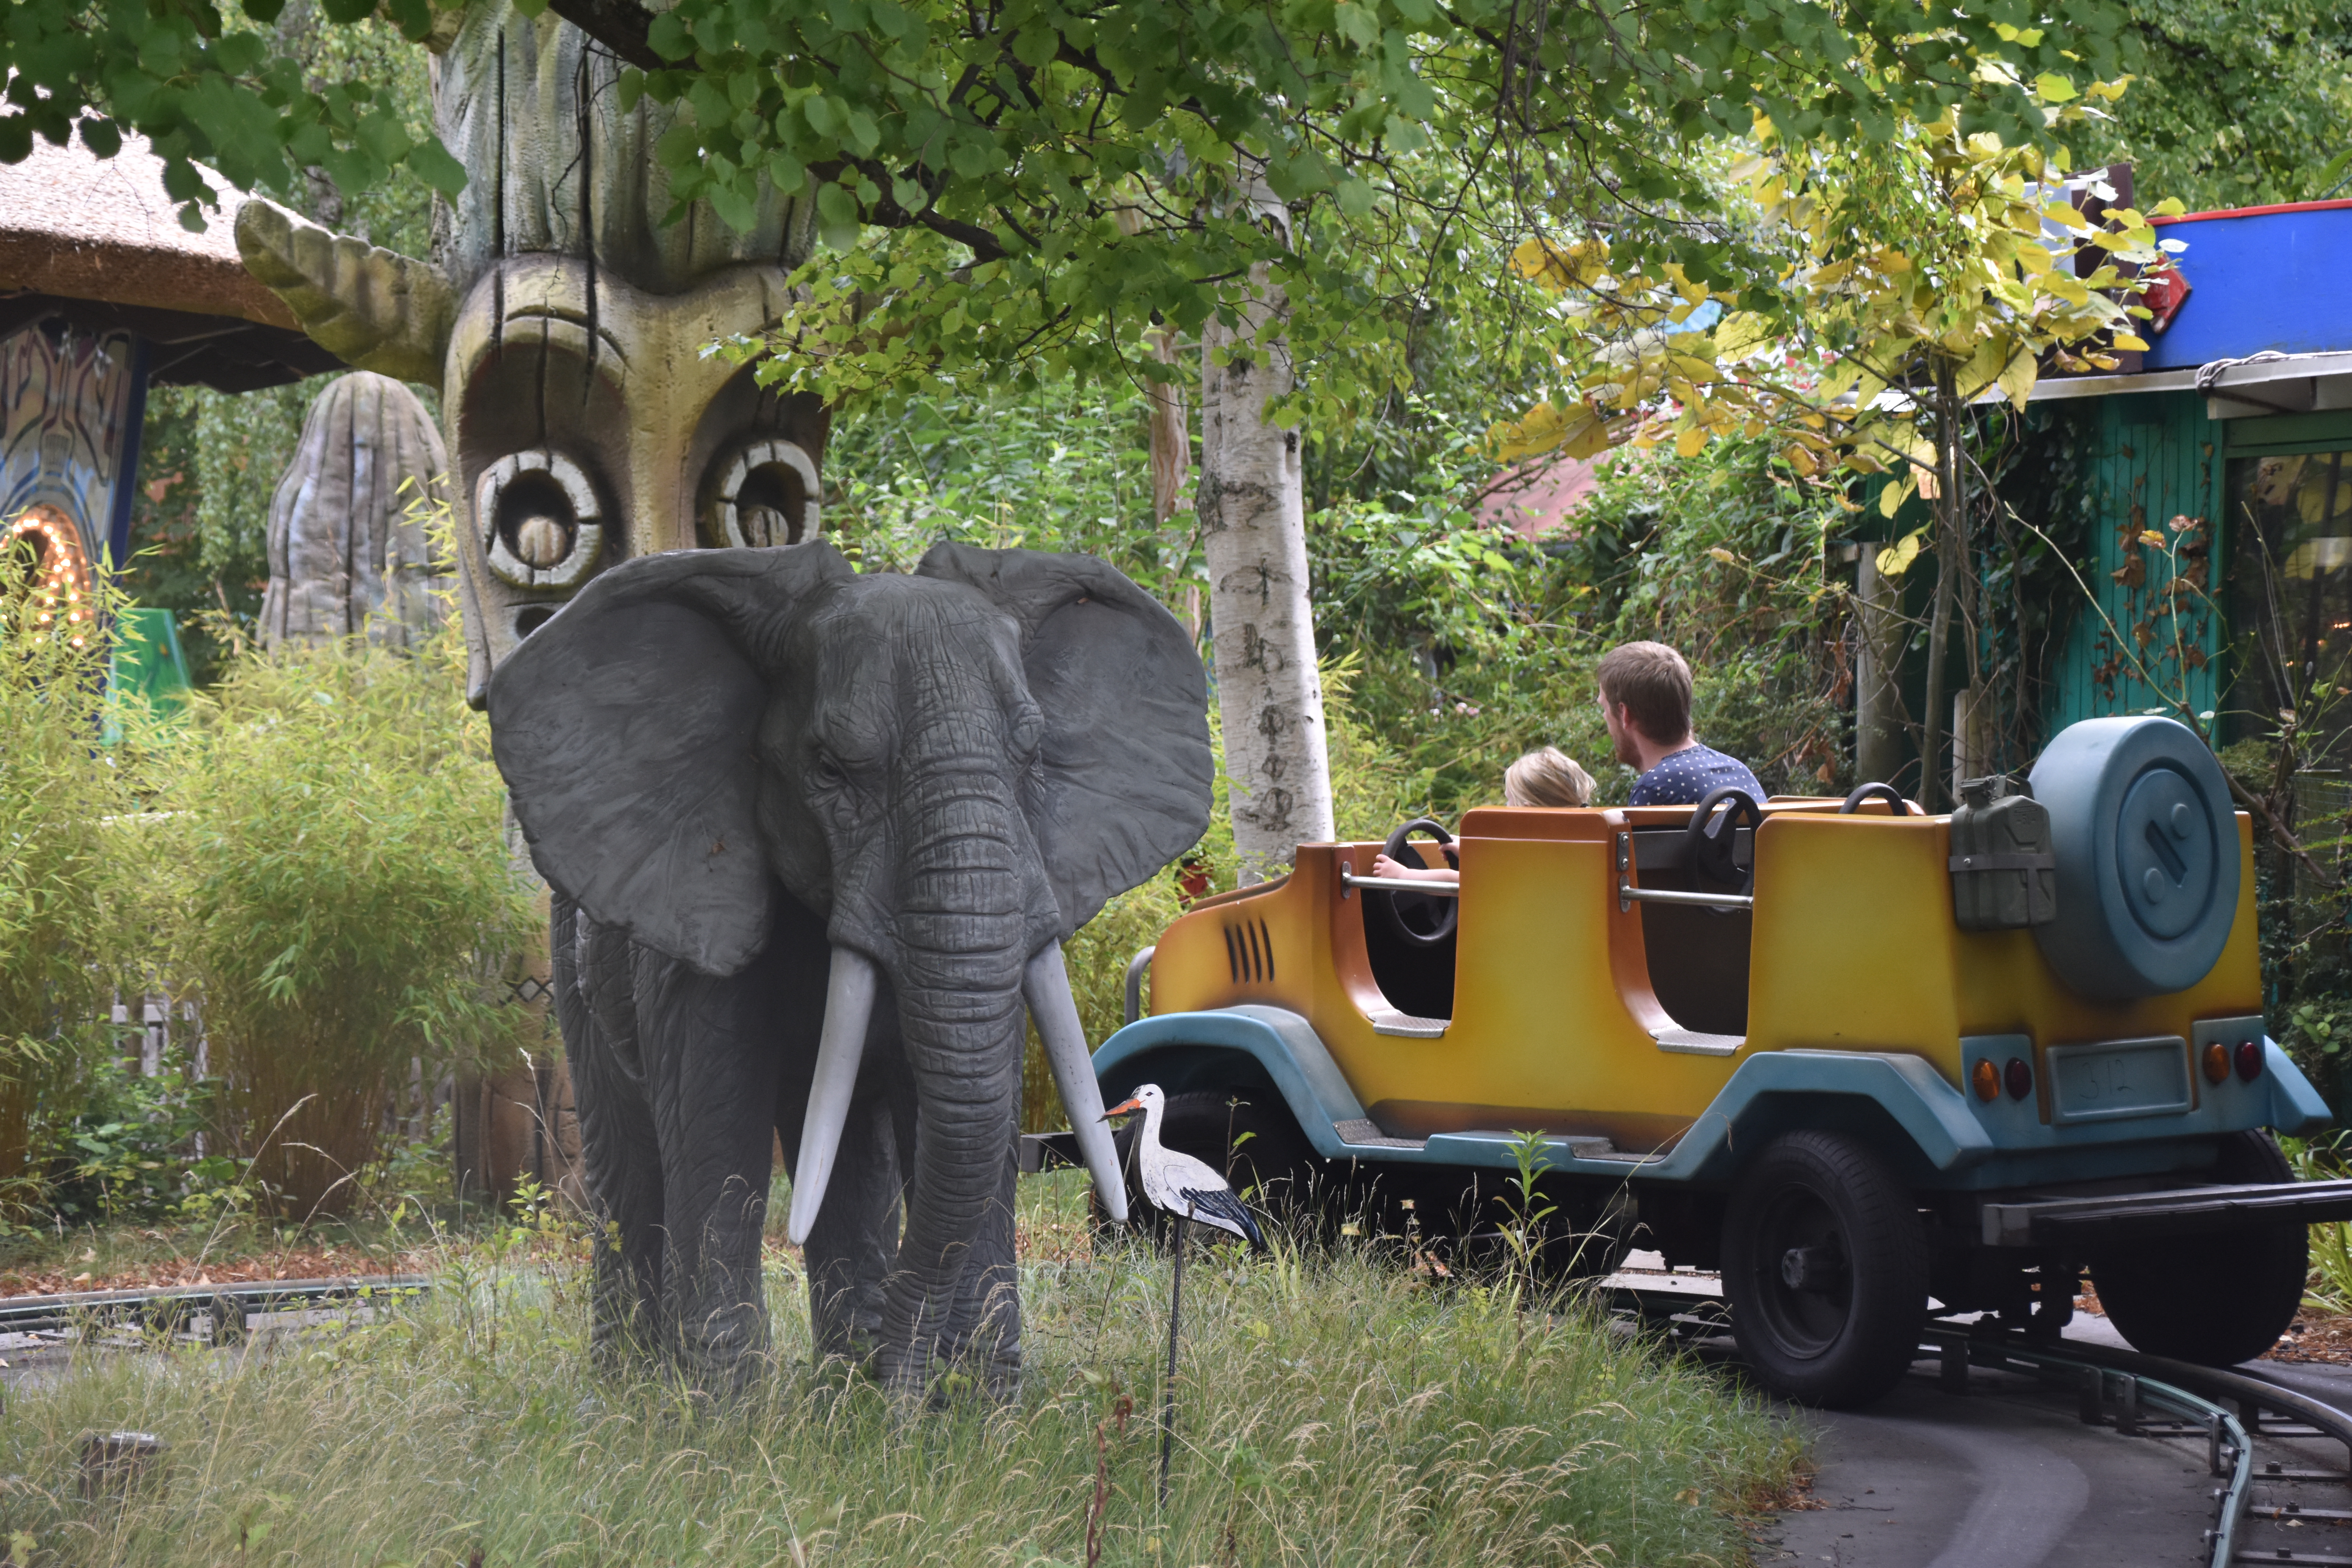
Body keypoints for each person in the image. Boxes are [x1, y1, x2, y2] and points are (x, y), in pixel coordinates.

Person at [1372, 746, 1595, 880]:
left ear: (1527, 811)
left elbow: (1461, 883)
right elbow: (1497, 864)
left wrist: (1404, 876)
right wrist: (1472, 850)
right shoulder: (1572, 848)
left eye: (1509, 800)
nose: (1506, 807)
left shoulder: (1531, 856)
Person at [1595, 640, 1764, 806]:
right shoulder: (1738, 772)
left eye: (1605, 707)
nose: (1605, 717)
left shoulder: (1655, 790)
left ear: (1625, 714)